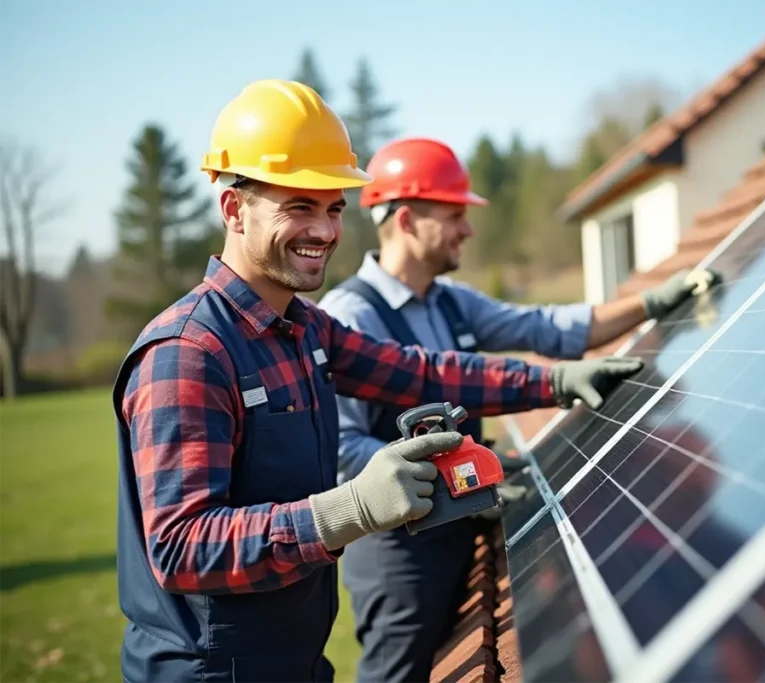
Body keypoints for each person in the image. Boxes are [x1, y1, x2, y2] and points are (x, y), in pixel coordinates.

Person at [111, 80, 645, 683]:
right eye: (299, 206)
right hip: (206, 672)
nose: (325, 230)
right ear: (234, 209)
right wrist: (353, 507)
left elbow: (422, 372)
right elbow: (183, 548)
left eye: (334, 208)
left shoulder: (304, 328)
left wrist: (555, 382)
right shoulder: (188, 353)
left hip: (297, 657)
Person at [316, 136, 721, 683]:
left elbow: (546, 328)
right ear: (408, 220)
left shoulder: (450, 299)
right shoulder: (349, 316)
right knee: (400, 674)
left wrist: (648, 304)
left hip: (461, 522)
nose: (467, 229)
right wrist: (454, 476)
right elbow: (341, 450)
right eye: (455, 214)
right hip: (400, 554)